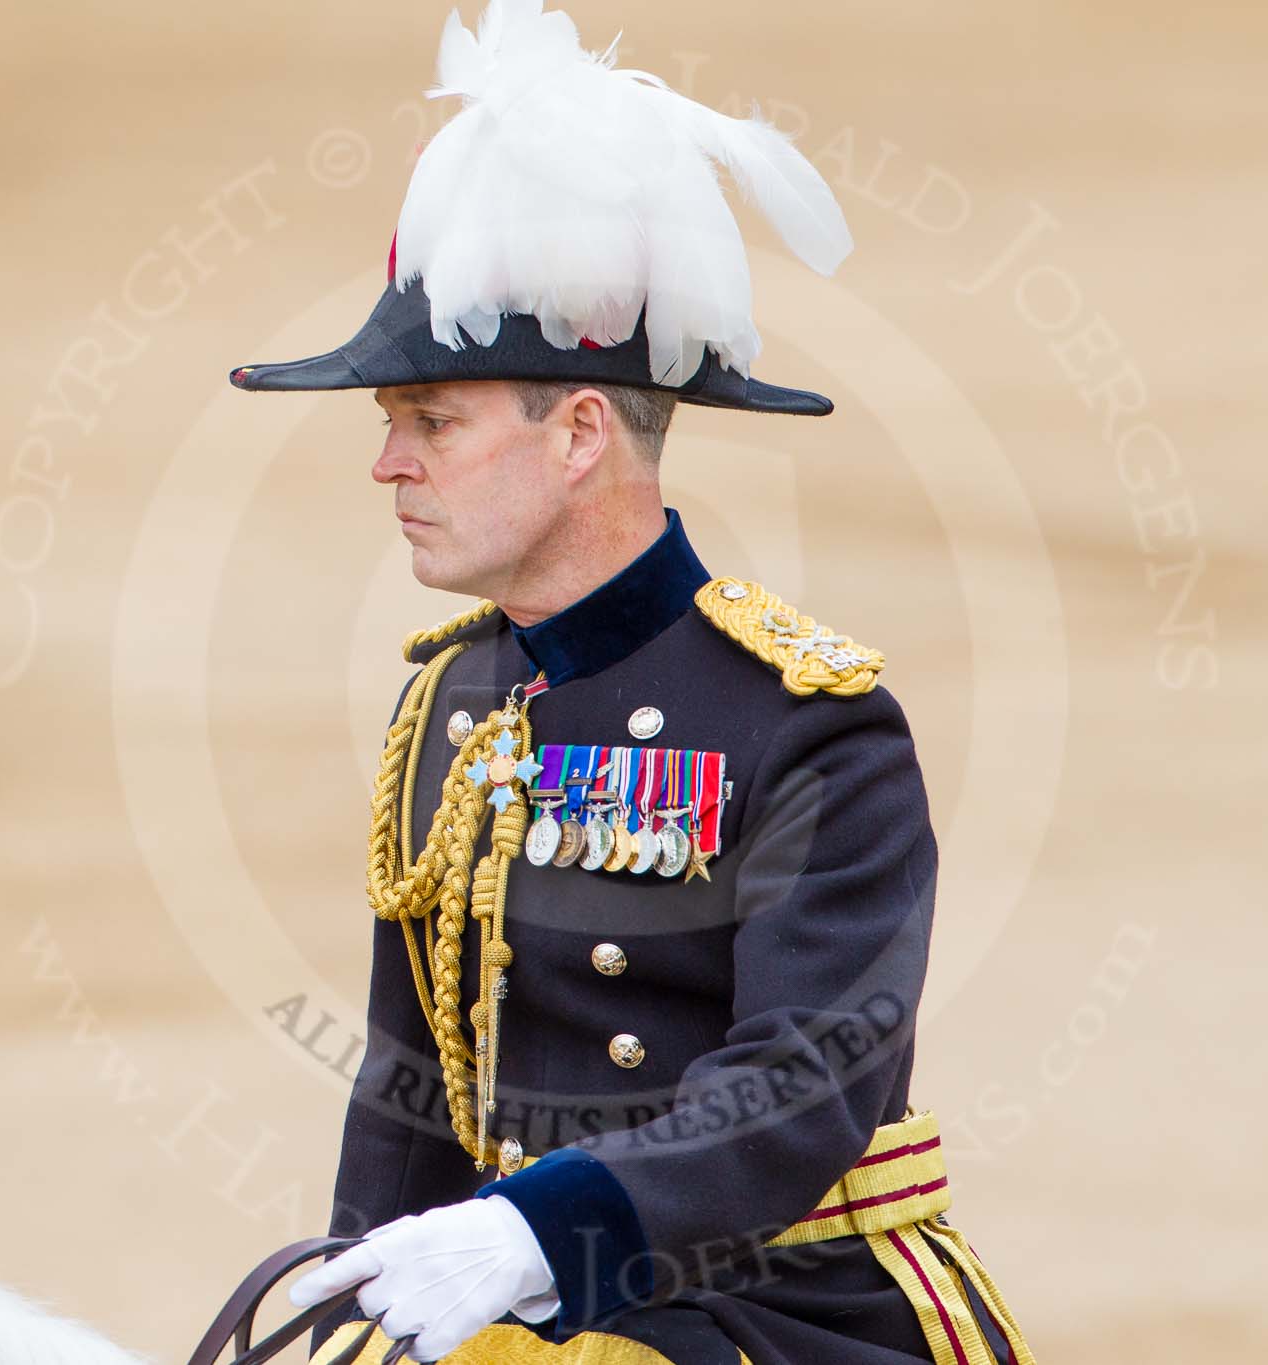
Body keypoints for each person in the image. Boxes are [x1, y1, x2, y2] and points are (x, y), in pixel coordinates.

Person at [227, 4, 1041, 1362]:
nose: (388, 465)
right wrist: (357, 1290)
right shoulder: (448, 703)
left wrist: (543, 1232)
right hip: (519, 1307)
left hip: (786, 1313)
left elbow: (803, 1084)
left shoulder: (806, 723)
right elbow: (413, 1087)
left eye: (431, 422)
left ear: (580, 436)